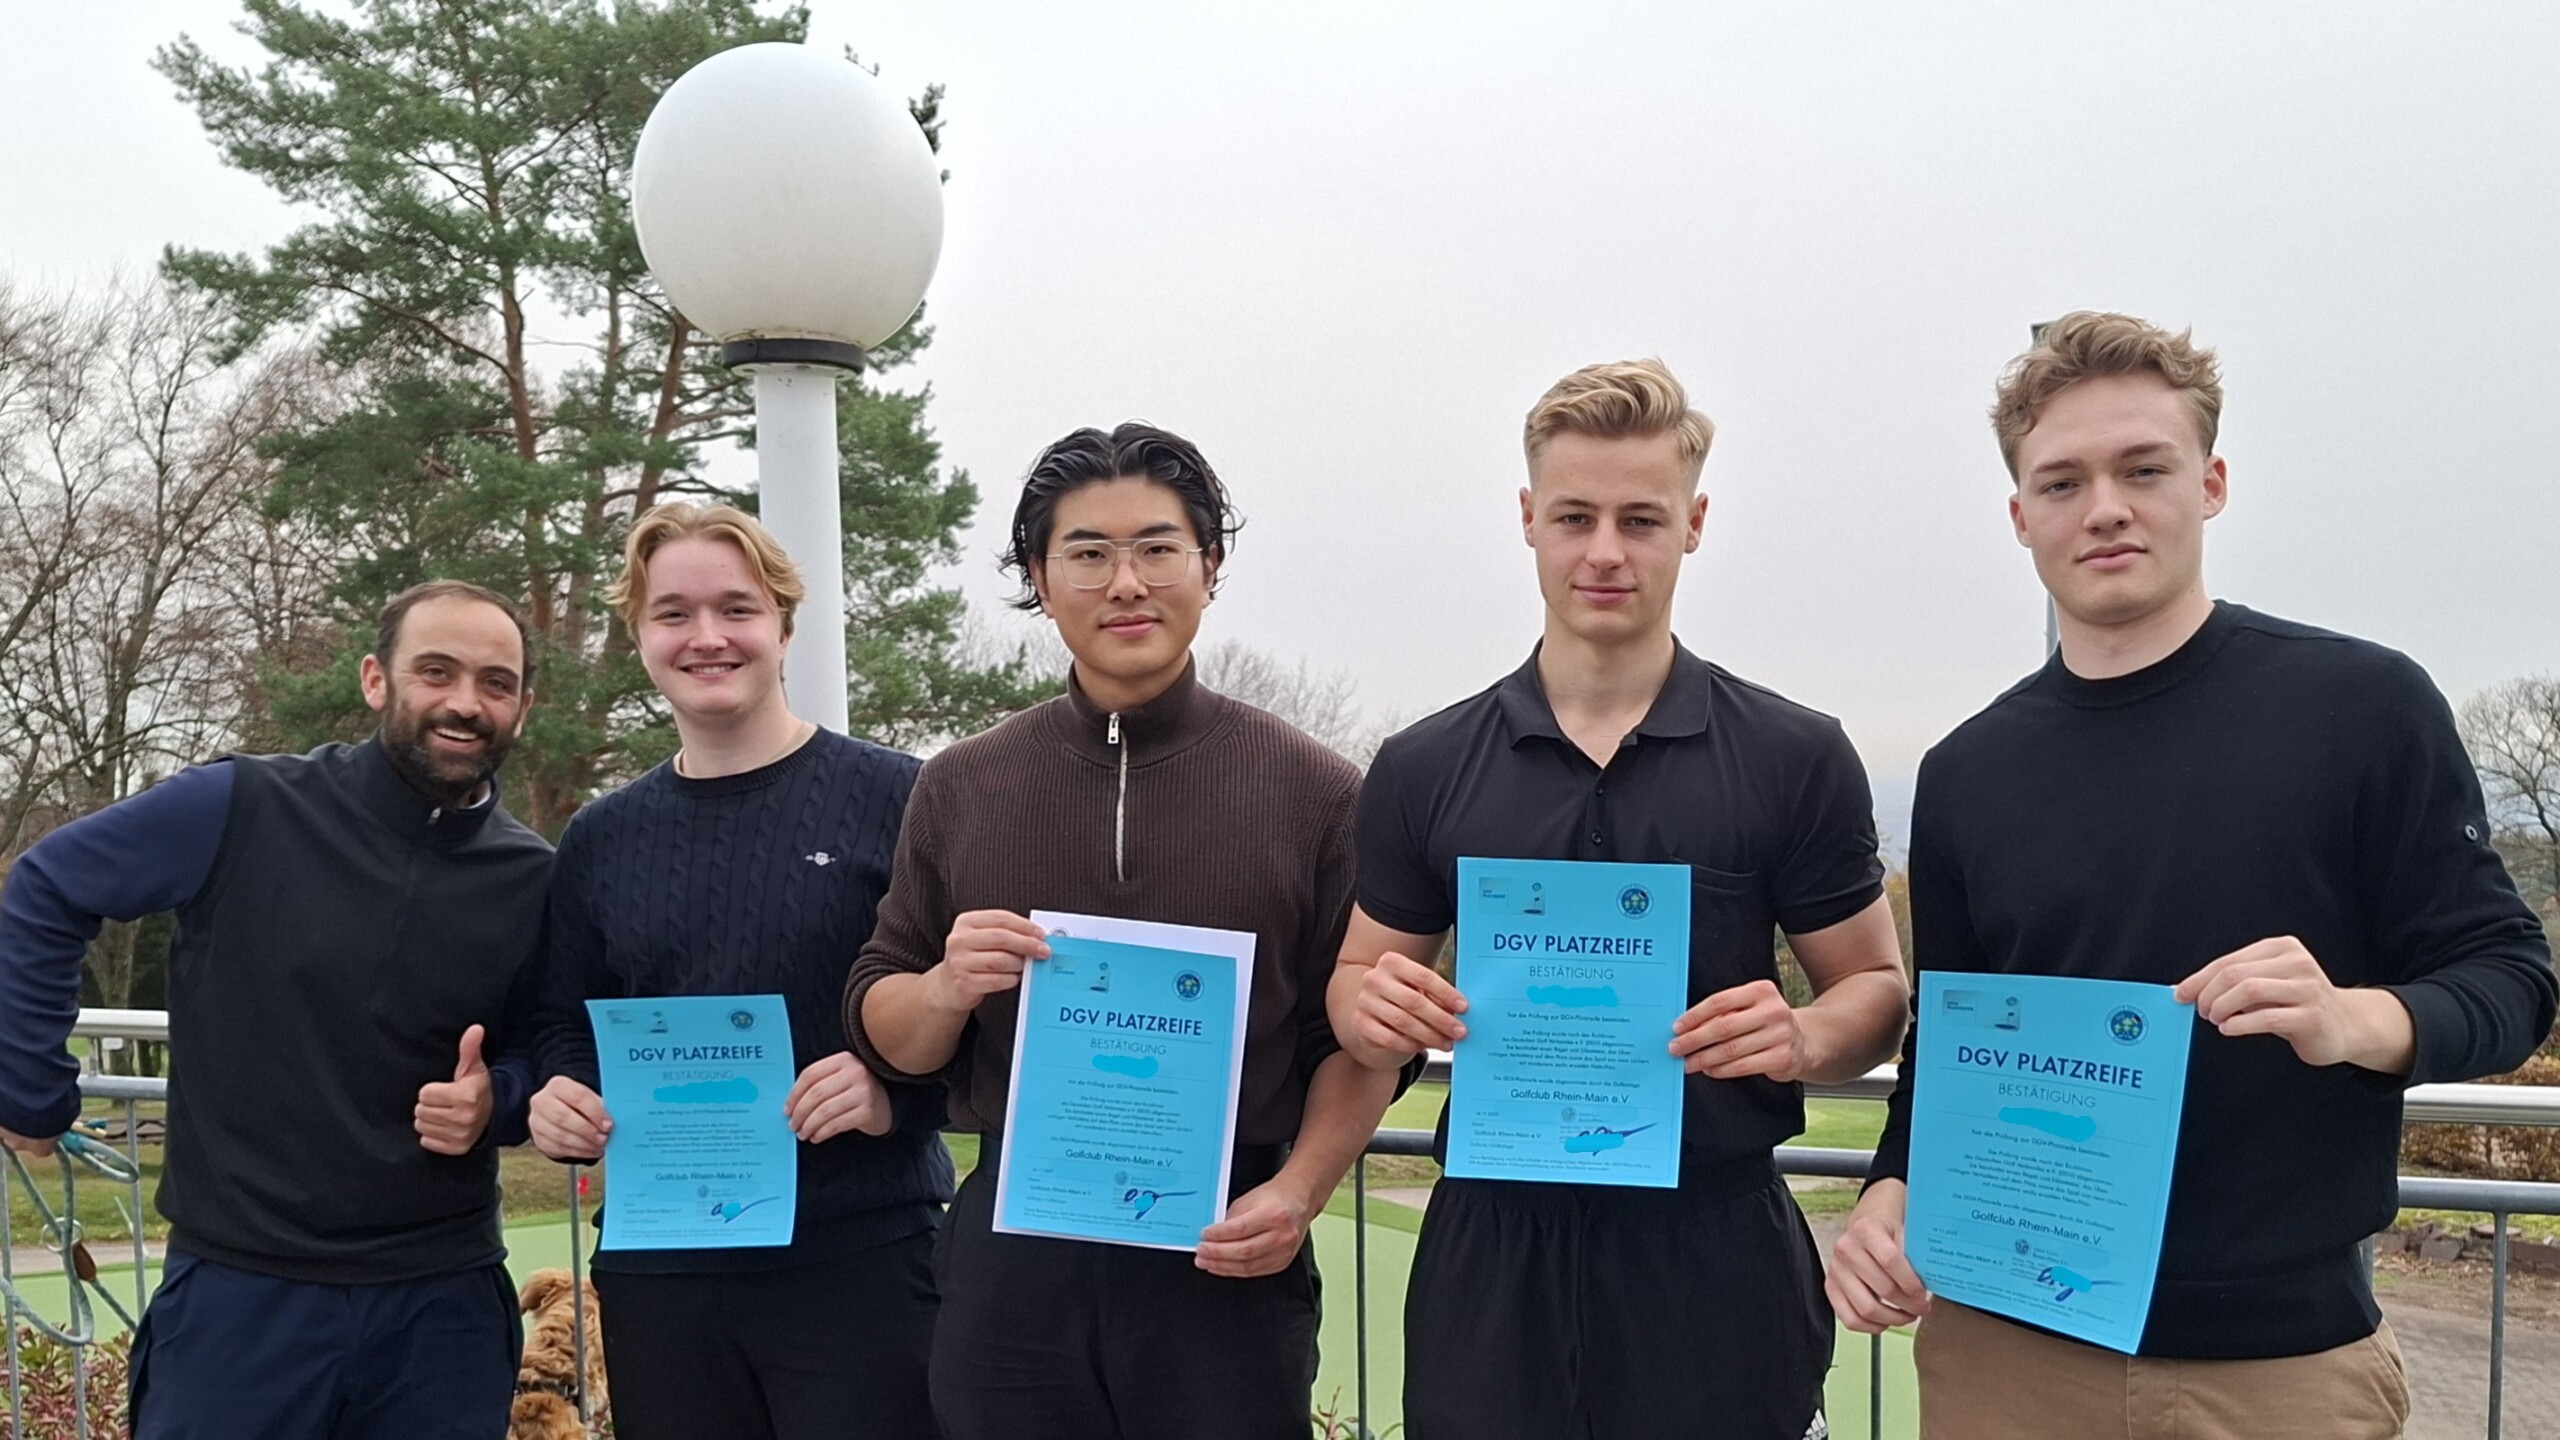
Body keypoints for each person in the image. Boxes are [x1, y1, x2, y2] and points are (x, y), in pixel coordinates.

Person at [1825, 311, 2558, 1440]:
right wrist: (1888, 1192)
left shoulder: (2362, 708)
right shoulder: (1967, 770)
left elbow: (2510, 979)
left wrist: (2356, 1019)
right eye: (2062, 482)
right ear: (2020, 517)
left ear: (2209, 484)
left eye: (2143, 469)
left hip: (2277, 1368)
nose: (2104, 507)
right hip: (2005, 1349)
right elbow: (1952, 1048)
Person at [1332, 359, 1911, 1440]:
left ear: (1693, 524)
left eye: (1640, 519)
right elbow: (1360, 976)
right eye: (1575, 517)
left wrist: (1800, 1035)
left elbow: (1876, 992)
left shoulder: (1795, 755)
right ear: (1528, 519)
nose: (1605, 551)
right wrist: (1368, 1008)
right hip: (1491, 1253)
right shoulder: (1423, 765)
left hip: (1713, 1247)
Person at [847, 423, 1401, 1440]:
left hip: (1224, 1255)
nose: (1126, 583)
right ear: (1039, 576)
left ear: (1209, 566)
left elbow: (1360, 1045)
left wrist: (1299, 1191)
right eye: (1089, 553)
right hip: (1014, 1261)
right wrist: (944, 987)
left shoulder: (1317, 791)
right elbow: (887, 1025)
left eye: (1157, 548)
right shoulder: (962, 783)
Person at [0, 580, 552, 1440]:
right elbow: (44, 889)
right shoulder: (238, 806)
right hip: (241, 1302)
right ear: (376, 679)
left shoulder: (534, 876)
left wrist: (500, 1099)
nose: (464, 702)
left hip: (442, 1313)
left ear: (522, 707)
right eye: (436, 671)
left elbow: (552, 1044)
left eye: (495, 682)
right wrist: (28, 1084)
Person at [524, 503, 948, 1440]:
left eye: (737, 609)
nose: (707, 636)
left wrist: (895, 1093)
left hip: (863, 1255)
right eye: (673, 613)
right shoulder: (600, 837)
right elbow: (564, 1021)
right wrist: (562, 1095)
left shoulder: (904, 798)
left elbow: (979, 1012)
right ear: (640, 636)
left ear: (783, 628)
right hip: (664, 1267)